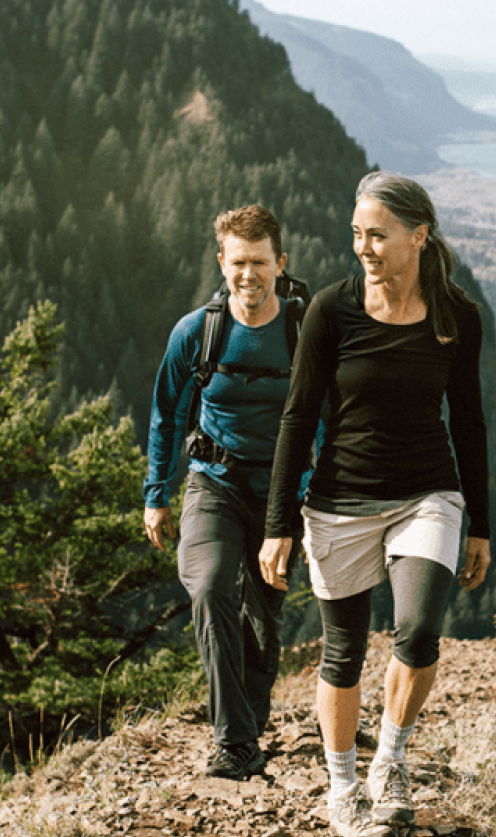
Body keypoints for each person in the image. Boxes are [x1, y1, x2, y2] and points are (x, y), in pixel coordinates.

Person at [258, 172, 490, 837]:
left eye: (377, 235)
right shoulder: (331, 311)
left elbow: (469, 421)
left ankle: (390, 758)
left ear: (420, 236)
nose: (362, 246)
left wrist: (479, 520)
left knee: (417, 632)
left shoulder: (456, 317)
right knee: (344, 653)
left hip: (428, 494)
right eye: (356, 233)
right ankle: (341, 788)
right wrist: (277, 524)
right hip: (339, 502)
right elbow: (299, 417)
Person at [144, 204, 303, 781]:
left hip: (281, 494)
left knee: (263, 617)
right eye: (238, 263)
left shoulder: (303, 332)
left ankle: (249, 721)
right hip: (212, 482)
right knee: (209, 587)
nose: (248, 275)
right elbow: (166, 413)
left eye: (260, 262)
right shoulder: (197, 332)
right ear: (222, 262)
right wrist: (155, 494)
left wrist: (302, 499)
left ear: (279, 263)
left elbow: (329, 420)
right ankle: (235, 743)